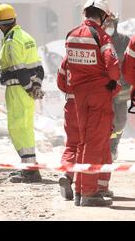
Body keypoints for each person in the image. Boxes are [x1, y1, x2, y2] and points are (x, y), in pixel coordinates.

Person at [65, 0, 120, 207]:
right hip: (99, 94)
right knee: (95, 143)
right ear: (103, 15)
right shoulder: (101, 37)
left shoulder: (71, 35)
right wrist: (113, 82)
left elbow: (68, 66)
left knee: (83, 141)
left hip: (79, 95)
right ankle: (88, 193)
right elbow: (113, 65)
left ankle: (80, 191)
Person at [0, 4, 45, 184]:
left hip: (18, 89)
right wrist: (36, 86)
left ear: (0, 24)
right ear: (15, 19)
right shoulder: (27, 37)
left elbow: (19, 70)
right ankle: (29, 166)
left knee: (17, 128)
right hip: (27, 91)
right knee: (25, 126)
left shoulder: (12, 42)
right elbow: (39, 68)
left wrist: (29, 88)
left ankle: (30, 170)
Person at [103, 13, 131, 161]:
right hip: (104, 88)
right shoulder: (99, 40)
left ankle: (114, 144)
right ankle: (107, 147)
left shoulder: (123, 41)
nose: (109, 27)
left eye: (111, 24)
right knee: (106, 119)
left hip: (121, 88)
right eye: (106, 24)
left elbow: (130, 62)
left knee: (120, 120)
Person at [57, 58, 79, 201]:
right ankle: (88, 188)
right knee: (90, 147)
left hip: (71, 105)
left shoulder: (66, 59)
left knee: (72, 145)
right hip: (90, 106)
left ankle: (66, 174)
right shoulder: (98, 55)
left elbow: (60, 83)